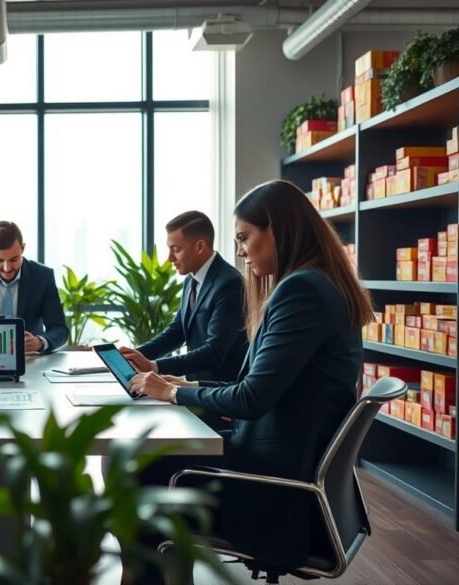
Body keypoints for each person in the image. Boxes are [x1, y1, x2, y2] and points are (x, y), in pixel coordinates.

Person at [130, 180, 372, 578]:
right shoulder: (319, 281)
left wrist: (173, 392)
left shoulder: (301, 291)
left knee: (143, 469)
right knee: (154, 459)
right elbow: (263, 388)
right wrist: (186, 387)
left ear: (276, 229)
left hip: (274, 487)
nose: (240, 252)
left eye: (244, 238)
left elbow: (252, 399)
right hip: (286, 461)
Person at [119, 211, 248, 384]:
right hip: (194, 392)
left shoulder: (229, 283)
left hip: (221, 395)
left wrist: (154, 366)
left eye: (176, 250)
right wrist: (132, 355)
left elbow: (214, 352)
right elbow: (177, 332)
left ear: (200, 247)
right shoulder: (191, 281)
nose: (170, 258)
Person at [0, 221, 68, 353]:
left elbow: (59, 329)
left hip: (30, 359)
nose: (7, 268)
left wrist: (39, 342)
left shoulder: (43, 276)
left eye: (13, 259)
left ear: (23, 248)